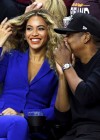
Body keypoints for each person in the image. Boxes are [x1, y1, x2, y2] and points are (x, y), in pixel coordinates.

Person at [0, 9, 62, 140]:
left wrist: (23, 115)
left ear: (49, 33)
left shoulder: (56, 67)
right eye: (29, 29)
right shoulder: (11, 56)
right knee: (17, 124)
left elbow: (56, 111)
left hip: (35, 130)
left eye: (40, 29)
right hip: (3, 120)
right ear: (24, 33)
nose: (34, 34)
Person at [53, 13, 100, 140]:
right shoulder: (74, 65)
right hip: (75, 131)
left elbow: (86, 95)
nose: (65, 40)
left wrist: (67, 65)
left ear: (86, 37)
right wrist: (63, 75)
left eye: (69, 35)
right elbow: (62, 115)